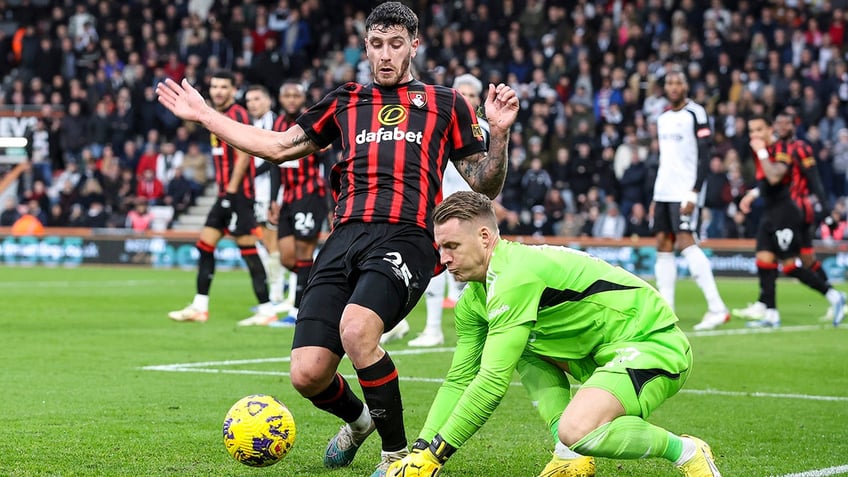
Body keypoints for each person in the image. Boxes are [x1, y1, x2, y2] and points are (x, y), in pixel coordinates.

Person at [155, 3, 518, 475]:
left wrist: (501, 136)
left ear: (414, 44)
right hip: (343, 237)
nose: (385, 55)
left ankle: (398, 458)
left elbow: (484, 184)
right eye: (376, 44)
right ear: (365, 46)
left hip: (407, 236)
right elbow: (278, 146)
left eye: (396, 44)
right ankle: (361, 419)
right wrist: (206, 116)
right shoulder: (345, 100)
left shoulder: (446, 103)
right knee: (307, 374)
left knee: (357, 329)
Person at [386, 191, 720, 477]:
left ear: (485, 238)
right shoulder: (473, 300)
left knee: (577, 429)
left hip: (653, 344)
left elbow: (490, 383)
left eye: (452, 246)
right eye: (441, 247)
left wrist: (435, 456)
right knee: (526, 351)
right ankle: (570, 456)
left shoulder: (514, 276)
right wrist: (420, 449)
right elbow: (459, 380)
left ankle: (688, 451)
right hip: (605, 356)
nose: (443, 259)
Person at [382, 73, 491, 348]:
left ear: (478, 101)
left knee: (474, 273)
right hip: (439, 207)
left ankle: (485, 329)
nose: (465, 99)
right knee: (435, 265)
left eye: (471, 95)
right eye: (461, 94)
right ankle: (431, 328)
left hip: (468, 211)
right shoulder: (439, 124)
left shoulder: (482, 129)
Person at [167, 70, 278, 326]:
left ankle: (267, 308)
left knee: (248, 250)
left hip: (237, 194)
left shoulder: (237, 114)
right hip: (224, 193)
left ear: (232, 90)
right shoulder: (213, 115)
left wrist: (230, 193)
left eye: (223, 87)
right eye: (214, 86)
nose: (218, 91)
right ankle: (199, 306)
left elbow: (243, 156)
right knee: (205, 246)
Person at [733, 114, 845, 328]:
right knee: (763, 260)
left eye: (758, 130)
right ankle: (771, 313)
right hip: (770, 212)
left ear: (769, 130)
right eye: (751, 131)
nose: (754, 135)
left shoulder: (780, 149)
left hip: (786, 212)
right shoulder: (765, 151)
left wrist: (761, 151)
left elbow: (775, 176)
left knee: (791, 265)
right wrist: (753, 195)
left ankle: (833, 296)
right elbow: (767, 184)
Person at [651, 70, 730, 331]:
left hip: (684, 190)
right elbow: (666, 160)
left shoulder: (696, 113)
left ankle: (717, 308)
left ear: (686, 86)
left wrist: (695, 191)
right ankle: (667, 309)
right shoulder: (662, 117)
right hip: (663, 190)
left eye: (678, 83)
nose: (673, 87)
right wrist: (656, 195)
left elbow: (705, 156)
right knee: (663, 243)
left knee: (686, 241)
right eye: (669, 83)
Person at [266, 81, 330, 327]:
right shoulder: (278, 125)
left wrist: (330, 201)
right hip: (288, 199)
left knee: (304, 254)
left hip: (310, 194)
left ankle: (297, 310)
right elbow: (274, 164)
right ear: (281, 99)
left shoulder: (313, 120)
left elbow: (327, 159)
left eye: (296, 95)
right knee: (286, 258)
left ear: (303, 98)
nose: (291, 99)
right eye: (287, 95)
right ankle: (323, 288)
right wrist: (274, 199)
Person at [244, 84, 286, 308]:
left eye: (257, 99)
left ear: (269, 101)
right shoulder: (253, 124)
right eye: (249, 100)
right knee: (263, 242)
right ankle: (278, 289)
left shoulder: (276, 123)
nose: (252, 104)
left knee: (273, 244)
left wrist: (248, 173)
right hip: (257, 193)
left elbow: (273, 160)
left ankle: (278, 295)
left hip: (273, 193)